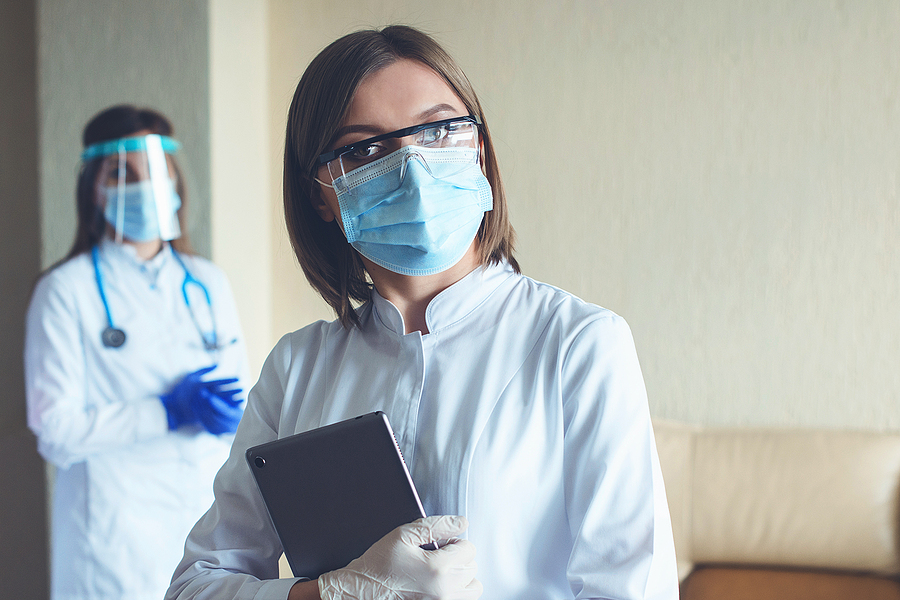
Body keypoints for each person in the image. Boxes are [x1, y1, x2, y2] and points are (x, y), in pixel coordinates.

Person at [167, 25, 678, 600]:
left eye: (438, 129)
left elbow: (634, 589)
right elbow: (194, 586)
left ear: (479, 150)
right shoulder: (296, 368)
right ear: (319, 194)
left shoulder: (578, 343)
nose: (412, 165)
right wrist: (336, 593)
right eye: (365, 148)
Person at [24, 104, 252, 600]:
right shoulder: (66, 290)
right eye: (123, 172)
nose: (143, 186)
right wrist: (166, 411)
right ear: (93, 188)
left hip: (205, 531)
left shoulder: (208, 283)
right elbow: (56, 433)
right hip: (111, 544)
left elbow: (242, 403)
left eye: (154, 171)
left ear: (174, 180)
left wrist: (238, 420)